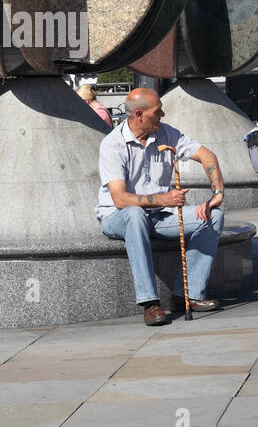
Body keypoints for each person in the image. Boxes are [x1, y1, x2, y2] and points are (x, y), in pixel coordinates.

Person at [96, 87, 225, 326]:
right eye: (158, 111)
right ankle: (150, 303)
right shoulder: (112, 144)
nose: (163, 115)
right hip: (118, 217)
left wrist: (216, 193)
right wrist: (163, 199)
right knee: (134, 214)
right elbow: (120, 200)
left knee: (213, 216)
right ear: (139, 115)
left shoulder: (167, 134)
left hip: (158, 216)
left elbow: (208, 157)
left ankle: (187, 294)